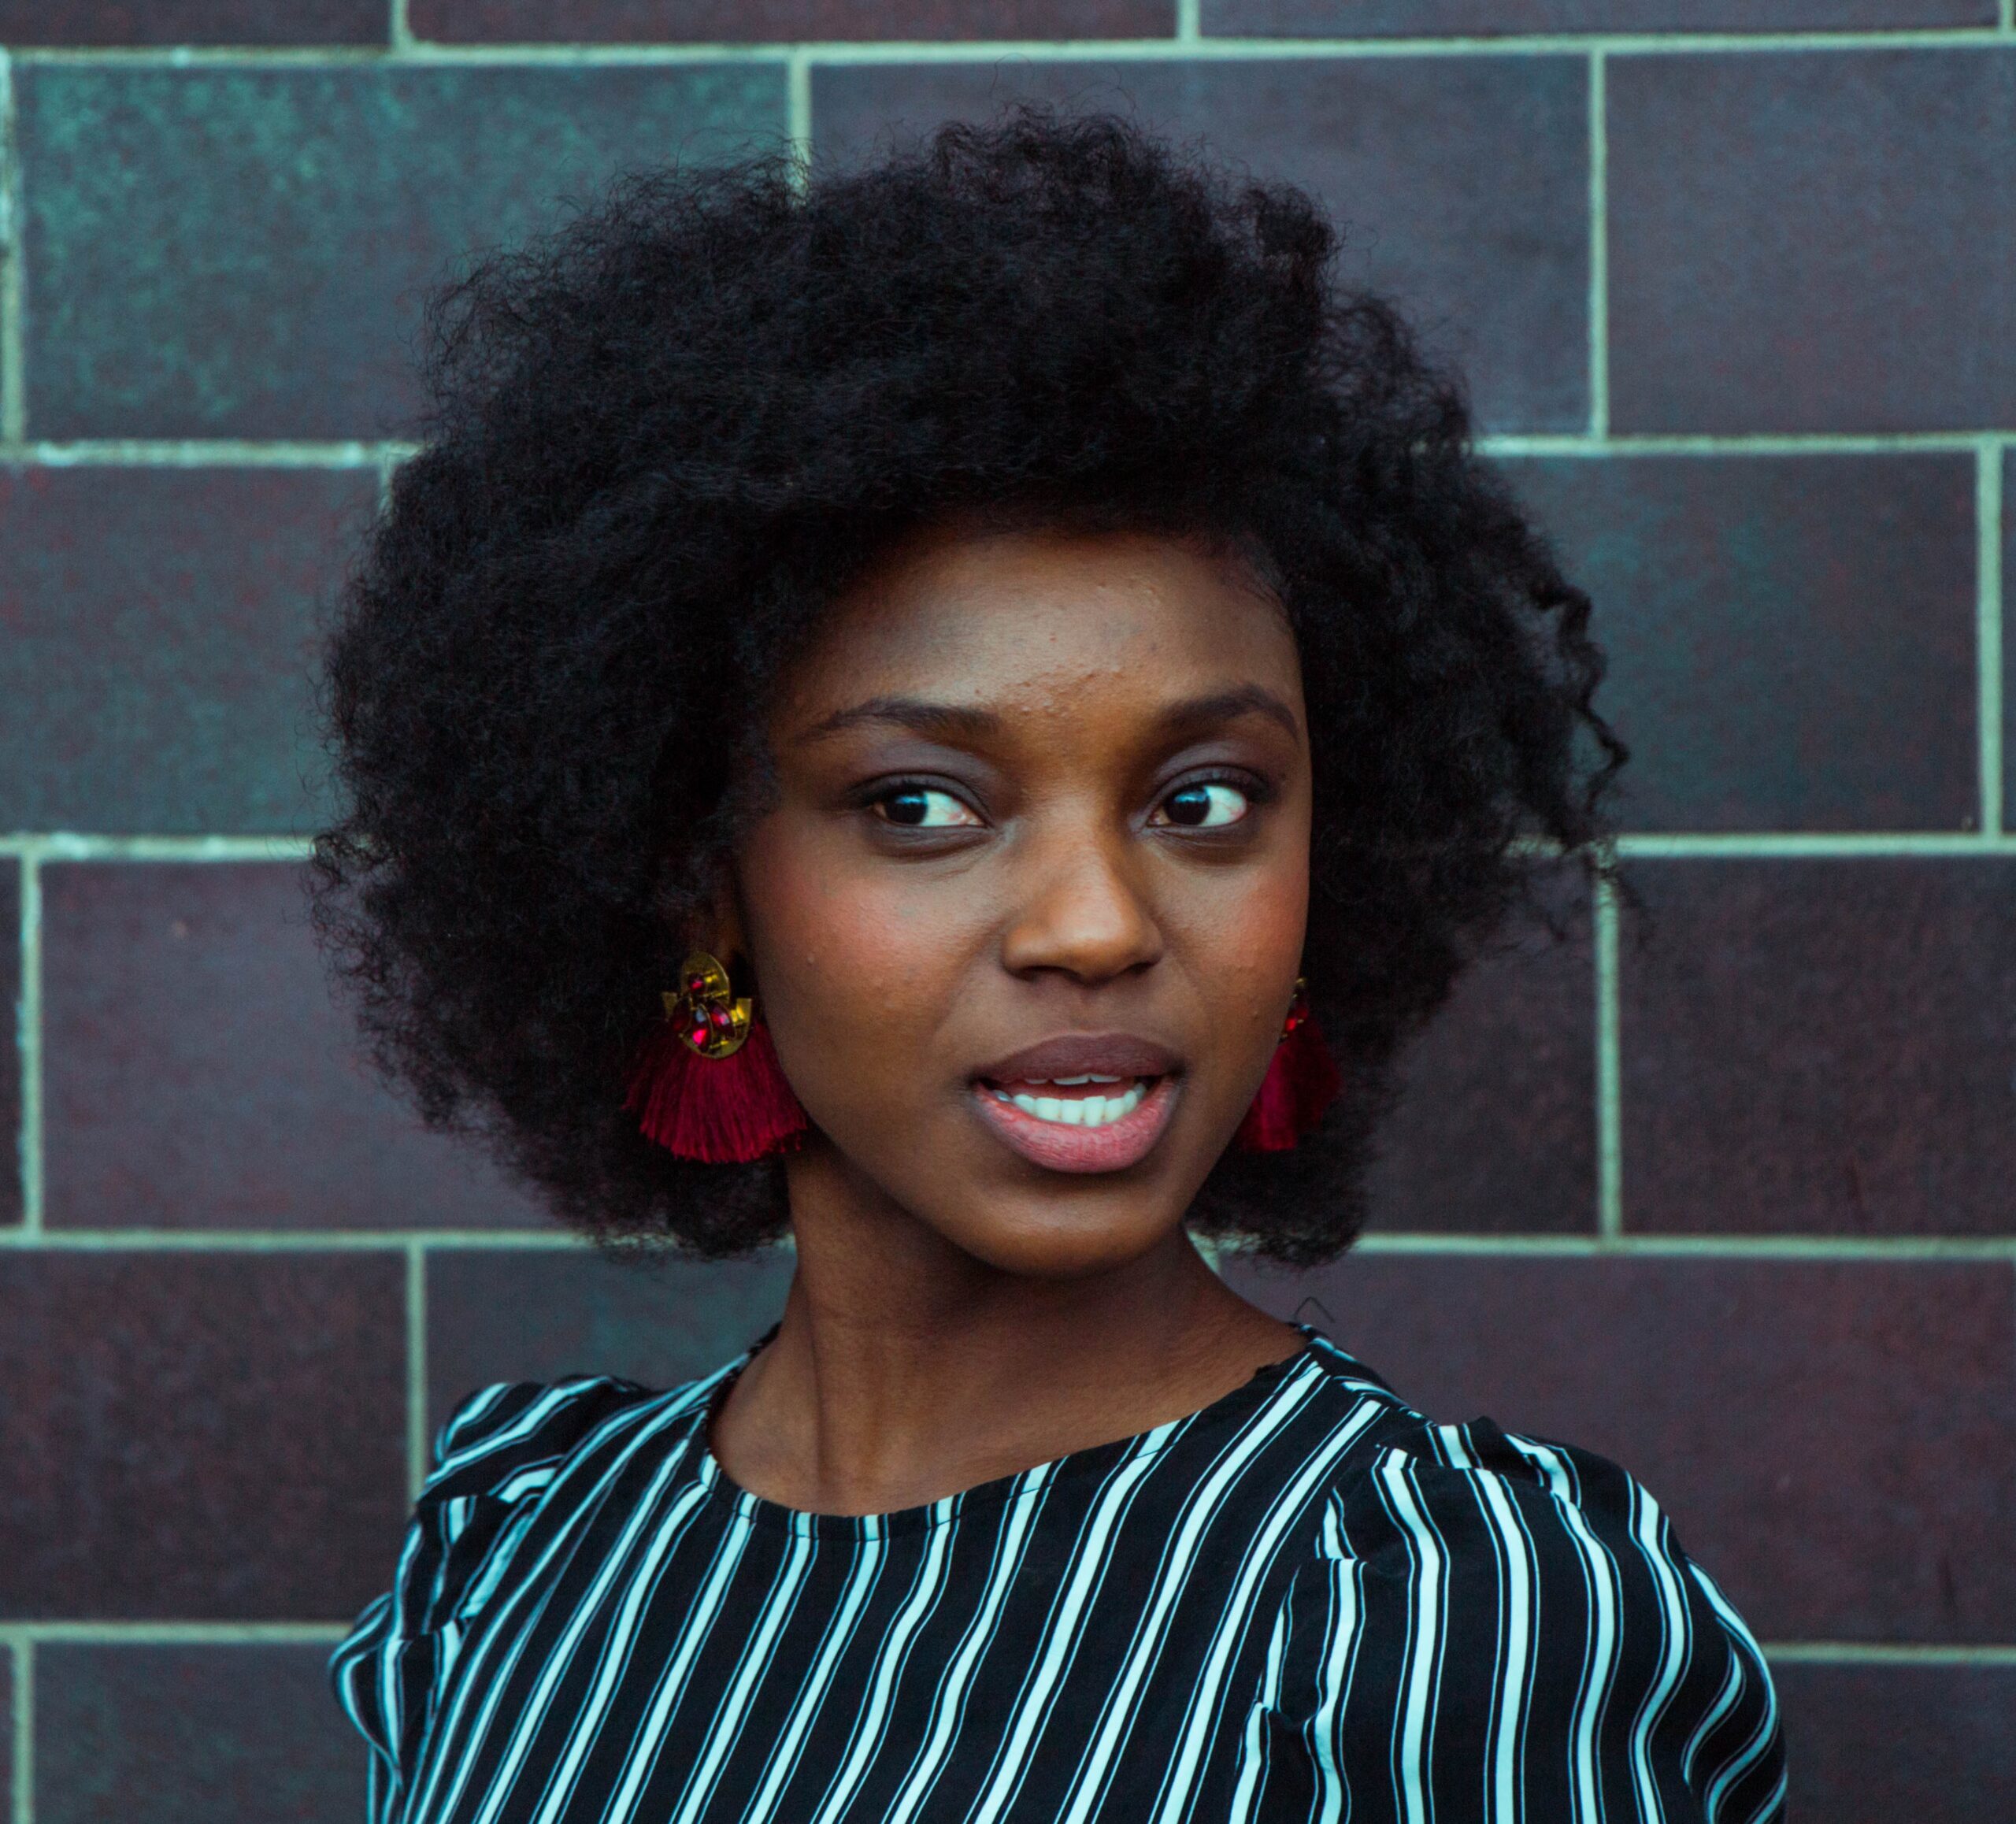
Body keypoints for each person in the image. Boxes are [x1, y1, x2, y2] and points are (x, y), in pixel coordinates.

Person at [313, 106, 1784, 1824]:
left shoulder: (1430, 1618)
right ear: (696, 881)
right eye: (920, 801)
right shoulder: (520, 1548)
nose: (1095, 924)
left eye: (1203, 797)